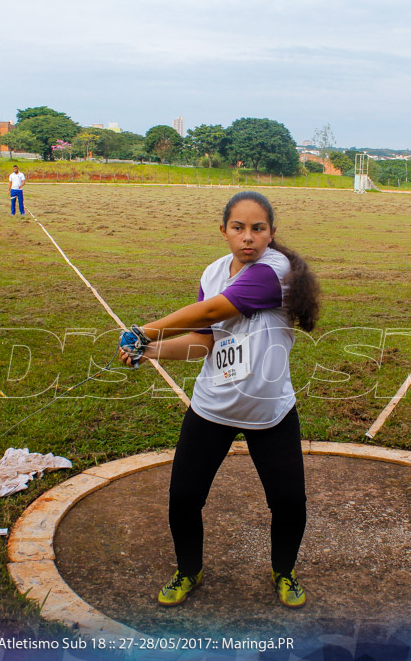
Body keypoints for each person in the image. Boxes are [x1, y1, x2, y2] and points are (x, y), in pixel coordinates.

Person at [117, 190, 320, 608]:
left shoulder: (275, 270)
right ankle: (188, 569)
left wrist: (147, 330)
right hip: (212, 406)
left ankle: (284, 570)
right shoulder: (212, 273)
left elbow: (213, 312)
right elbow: (204, 340)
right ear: (223, 231)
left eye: (258, 228)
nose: (248, 237)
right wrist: (150, 352)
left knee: (287, 500)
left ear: (271, 234)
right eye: (238, 228)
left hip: (269, 409)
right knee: (185, 496)